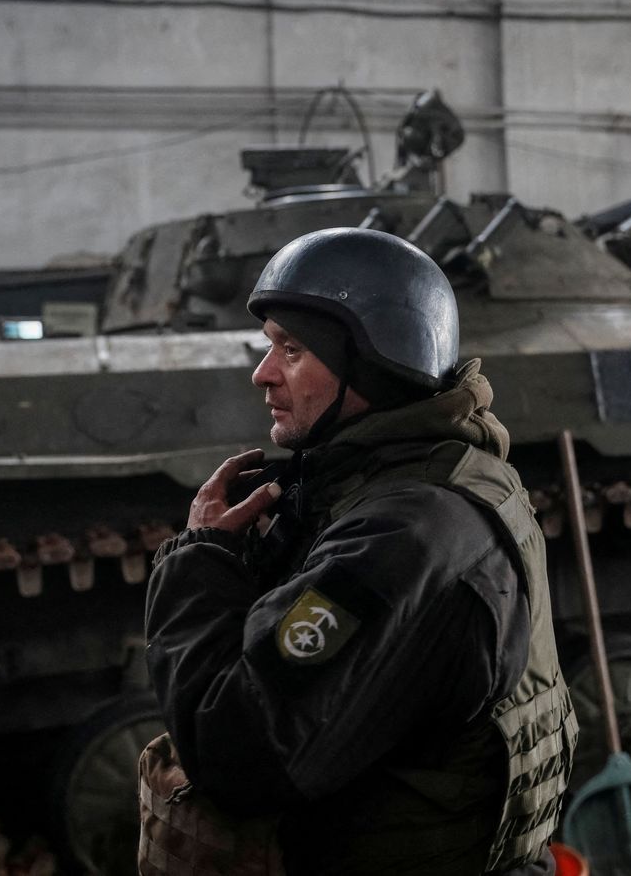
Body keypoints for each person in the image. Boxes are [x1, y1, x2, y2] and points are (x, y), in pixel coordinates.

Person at [143, 227, 577, 875]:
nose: (262, 375)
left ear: (374, 361)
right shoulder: (456, 468)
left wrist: (201, 560)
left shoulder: (401, 535)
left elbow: (234, 752)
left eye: (291, 350)